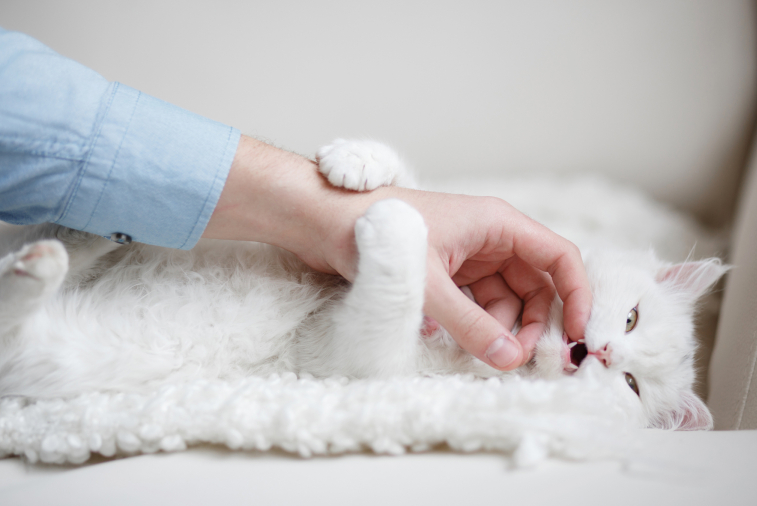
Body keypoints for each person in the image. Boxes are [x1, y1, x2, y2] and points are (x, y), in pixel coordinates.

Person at [0, 27, 591, 371]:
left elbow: (355, 362)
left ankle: (19, 334)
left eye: (631, 386)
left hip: (217, 303)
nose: (606, 354)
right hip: (212, 255)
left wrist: (379, 242)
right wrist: (365, 193)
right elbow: (390, 207)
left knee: (143, 351)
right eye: (634, 320)